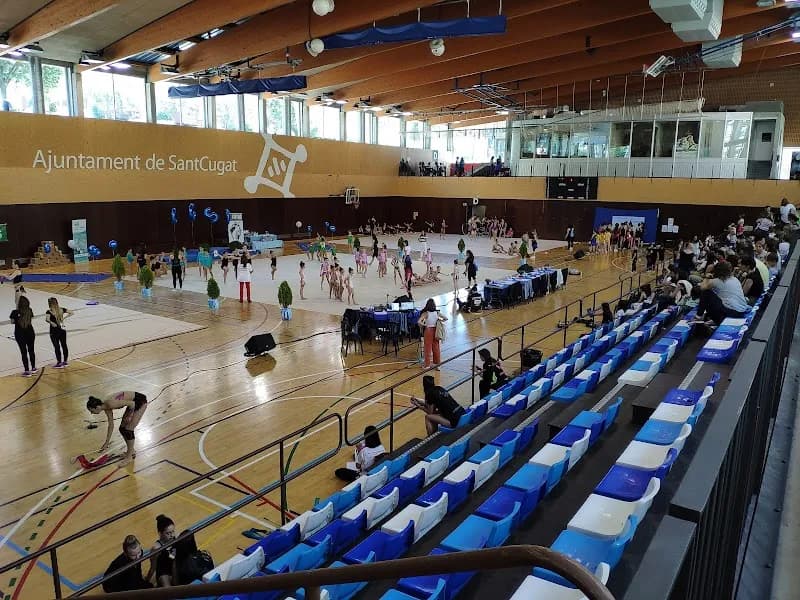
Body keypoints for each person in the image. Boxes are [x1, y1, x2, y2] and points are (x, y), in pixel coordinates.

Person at [87, 391, 149, 465]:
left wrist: (130, 416)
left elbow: (132, 404)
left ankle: (129, 457)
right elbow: (111, 425)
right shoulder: (106, 407)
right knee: (122, 429)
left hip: (139, 401)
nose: (91, 413)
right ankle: (131, 451)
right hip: (132, 403)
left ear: (97, 407)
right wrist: (107, 442)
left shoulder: (110, 403)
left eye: (91, 410)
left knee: (129, 430)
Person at [695, 261, 750, 326]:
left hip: (732, 313)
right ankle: (714, 319)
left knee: (706, 293)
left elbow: (702, 287)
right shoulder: (735, 279)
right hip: (741, 311)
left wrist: (706, 277)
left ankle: (698, 316)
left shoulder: (716, 281)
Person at [146, 515, 176, 587]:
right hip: (164, 573)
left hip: (175, 568)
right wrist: (146, 581)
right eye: (168, 533)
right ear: (160, 533)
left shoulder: (175, 540)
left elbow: (174, 557)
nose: (172, 535)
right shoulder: (156, 548)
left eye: (173, 531)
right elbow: (153, 567)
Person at [10, 295, 36, 376]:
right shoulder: (30, 310)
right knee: (31, 350)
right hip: (30, 332)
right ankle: (34, 368)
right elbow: (30, 318)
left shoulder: (14, 312)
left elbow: (12, 322)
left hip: (19, 333)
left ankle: (27, 371)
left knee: (23, 352)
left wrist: (18, 317)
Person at [418, 298, 447, 369]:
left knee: (427, 348)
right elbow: (446, 318)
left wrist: (424, 325)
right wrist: (439, 320)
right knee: (436, 347)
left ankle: (427, 365)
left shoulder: (426, 313)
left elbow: (419, 321)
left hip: (428, 331)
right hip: (436, 330)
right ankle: (437, 365)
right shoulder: (437, 313)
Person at [45, 297, 72, 368]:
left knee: (56, 346)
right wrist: (64, 318)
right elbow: (71, 312)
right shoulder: (61, 309)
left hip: (54, 331)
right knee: (64, 345)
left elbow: (47, 319)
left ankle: (59, 362)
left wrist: (51, 322)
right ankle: (65, 361)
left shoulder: (49, 312)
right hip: (62, 330)